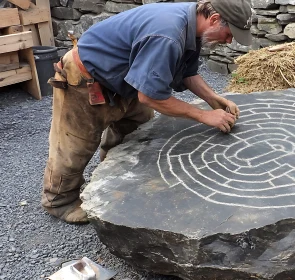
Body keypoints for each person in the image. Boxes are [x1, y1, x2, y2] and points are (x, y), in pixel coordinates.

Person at [41, 0, 253, 224]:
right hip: (87, 78)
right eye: (229, 34)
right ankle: (59, 201)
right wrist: (203, 115)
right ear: (214, 19)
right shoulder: (169, 35)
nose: (229, 41)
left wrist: (213, 98)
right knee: (76, 144)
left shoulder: (193, 29)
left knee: (138, 132)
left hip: (127, 79)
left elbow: (187, 74)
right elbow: (150, 96)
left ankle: (112, 175)